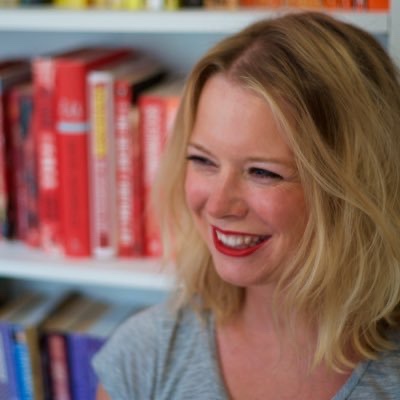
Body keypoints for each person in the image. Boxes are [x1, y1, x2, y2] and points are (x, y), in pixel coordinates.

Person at [93, 10, 400, 400]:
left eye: (262, 172)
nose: (218, 205)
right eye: (203, 160)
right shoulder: (143, 357)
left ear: (356, 186)